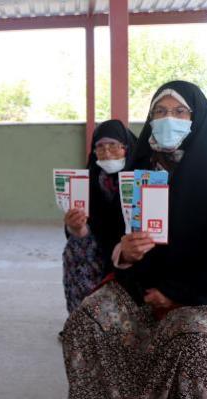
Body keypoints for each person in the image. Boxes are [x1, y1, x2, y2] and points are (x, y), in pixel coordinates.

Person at [62, 81, 207, 398]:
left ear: (196, 117)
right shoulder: (142, 168)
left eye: (178, 111)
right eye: (159, 111)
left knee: (192, 340)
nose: (167, 118)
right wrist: (125, 253)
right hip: (147, 286)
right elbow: (118, 234)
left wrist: (177, 295)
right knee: (86, 321)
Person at [62, 120, 136, 314]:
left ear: (126, 147)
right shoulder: (89, 179)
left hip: (133, 244)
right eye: (100, 147)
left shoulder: (143, 178)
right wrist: (77, 228)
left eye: (114, 145)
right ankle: (83, 319)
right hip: (99, 244)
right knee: (74, 249)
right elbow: (80, 229)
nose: (107, 152)